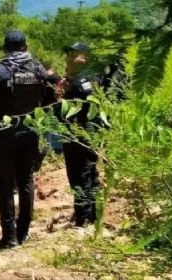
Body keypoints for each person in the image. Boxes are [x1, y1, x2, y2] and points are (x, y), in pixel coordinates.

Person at [0, 31, 52, 251]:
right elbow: (50, 104)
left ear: (5, 48)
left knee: (5, 185)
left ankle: (9, 237)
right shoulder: (38, 70)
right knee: (26, 182)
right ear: (25, 46)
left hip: (4, 136)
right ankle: (23, 233)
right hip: (30, 134)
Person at [59, 42, 102, 227]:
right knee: (88, 175)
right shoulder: (85, 78)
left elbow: (79, 111)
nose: (69, 58)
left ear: (85, 57)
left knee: (81, 177)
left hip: (79, 135)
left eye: (74, 54)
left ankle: (83, 220)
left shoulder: (82, 82)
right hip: (83, 134)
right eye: (69, 54)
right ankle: (92, 215)